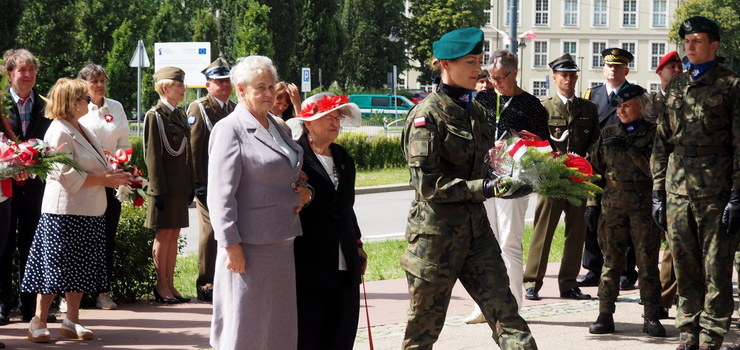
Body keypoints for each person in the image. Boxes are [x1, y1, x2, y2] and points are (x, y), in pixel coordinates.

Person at [401, 27, 536, 349]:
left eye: (479, 61)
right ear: (445, 64)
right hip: (435, 238)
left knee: (507, 316)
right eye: (470, 62)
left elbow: (486, 163)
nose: (479, 70)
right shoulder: (426, 116)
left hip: (477, 233)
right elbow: (428, 183)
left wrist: (516, 176)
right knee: (422, 332)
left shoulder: (475, 111)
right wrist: (487, 188)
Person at [208, 55, 312, 350]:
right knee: (246, 329)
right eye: (260, 88)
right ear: (240, 90)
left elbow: (285, 171)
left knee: (277, 329)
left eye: (271, 86)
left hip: (281, 240)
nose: (268, 94)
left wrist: (305, 191)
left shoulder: (277, 125)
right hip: (248, 247)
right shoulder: (230, 129)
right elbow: (220, 194)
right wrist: (231, 246)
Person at [651, 16, 740, 350]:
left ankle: (712, 333)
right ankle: (687, 331)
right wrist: (657, 190)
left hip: (715, 190)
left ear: (713, 45)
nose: (689, 46)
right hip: (677, 189)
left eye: (697, 41)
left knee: (716, 265)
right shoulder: (676, 85)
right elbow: (662, 140)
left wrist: (736, 194)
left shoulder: (731, 85)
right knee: (683, 263)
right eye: (686, 41)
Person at [20, 78, 131, 343]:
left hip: (89, 210)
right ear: (70, 103)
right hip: (63, 213)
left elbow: (96, 163)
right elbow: (66, 176)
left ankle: (72, 320)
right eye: (82, 97)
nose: (88, 101)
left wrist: (113, 172)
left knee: (79, 269)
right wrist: (105, 179)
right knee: (54, 269)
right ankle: (38, 320)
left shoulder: (81, 127)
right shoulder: (57, 131)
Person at [464, 49, 551, 324]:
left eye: (501, 77)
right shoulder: (484, 97)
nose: (496, 82)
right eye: (491, 77)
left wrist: (515, 146)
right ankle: (484, 304)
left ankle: (512, 303)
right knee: (482, 244)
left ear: (515, 73)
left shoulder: (531, 105)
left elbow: (543, 146)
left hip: (514, 182)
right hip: (484, 180)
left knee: (509, 243)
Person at [585, 83, 665, 337]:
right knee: (611, 262)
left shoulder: (654, 134)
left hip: (642, 206)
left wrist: (629, 150)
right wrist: (591, 203)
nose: (621, 111)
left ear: (640, 106)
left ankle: (652, 315)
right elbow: (593, 170)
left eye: (626, 106)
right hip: (612, 207)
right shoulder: (608, 132)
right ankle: (605, 314)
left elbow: (656, 171)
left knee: (647, 263)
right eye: (618, 106)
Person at [290, 92, 367, 349]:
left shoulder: (343, 158)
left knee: (342, 333)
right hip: (308, 262)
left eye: (338, 117)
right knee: (310, 334)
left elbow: (346, 208)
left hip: (345, 260)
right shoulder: (294, 155)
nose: (335, 123)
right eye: (328, 117)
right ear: (308, 122)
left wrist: (357, 243)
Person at [523, 54, 598, 302]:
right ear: (554, 78)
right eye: (563, 75)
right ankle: (532, 282)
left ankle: (569, 284)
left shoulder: (588, 109)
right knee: (543, 232)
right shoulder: (543, 108)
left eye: (572, 74)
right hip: (551, 180)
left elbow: (595, 142)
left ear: (576, 77)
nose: (568, 79)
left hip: (577, 180)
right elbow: (534, 144)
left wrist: (585, 164)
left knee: (576, 234)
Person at [0, 49, 54, 325]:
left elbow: (51, 145)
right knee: (4, 245)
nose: (28, 75)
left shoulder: (47, 105)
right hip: (6, 185)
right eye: (22, 70)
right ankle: (2, 305)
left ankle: (30, 306)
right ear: (9, 74)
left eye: (32, 70)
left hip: (35, 186)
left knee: (33, 245)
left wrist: (31, 167)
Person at [579, 48, 639, 291]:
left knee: (625, 219)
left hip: (623, 167)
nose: (613, 70)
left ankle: (626, 271)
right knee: (592, 217)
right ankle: (593, 268)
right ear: (603, 69)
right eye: (609, 65)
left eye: (618, 66)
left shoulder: (634, 95)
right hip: (596, 166)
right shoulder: (591, 95)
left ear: (626, 70)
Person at [77, 63, 132, 311]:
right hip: (85, 183)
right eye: (94, 81)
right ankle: (72, 295)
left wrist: (120, 160)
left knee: (107, 237)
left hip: (112, 181)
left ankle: (102, 291)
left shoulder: (116, 107)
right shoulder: (77, 107)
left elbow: (124, 142)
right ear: (84, 84)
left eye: (102, 80)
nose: (99, 85)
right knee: (81, 239)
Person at [186, 58, 237, 303]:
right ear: (208, 84)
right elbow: (195, 149)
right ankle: (206, 283)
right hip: (208, 182)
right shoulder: (199, 108)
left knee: (229, 230)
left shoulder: (233, 108)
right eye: (219, 81)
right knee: (209, 233)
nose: (225, 85)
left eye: (227, 80)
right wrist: (199, 184)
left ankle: (225, 278)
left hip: (231, 181)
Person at [144, 66, 195, 304]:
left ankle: (171, 284)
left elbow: (187, 154)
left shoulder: (179, 115)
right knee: (163, 235)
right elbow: (152, 155)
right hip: (163, 187)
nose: (183, 89)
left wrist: (189, 184)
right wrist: (157, 190)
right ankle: (161, 284)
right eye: (178, 85)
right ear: (165, 87)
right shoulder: (155, 115)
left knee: (174, 234)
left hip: (178, 185)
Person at [648, 51, 682, 319]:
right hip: (654, 179)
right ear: (660, 72)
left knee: (676, 243)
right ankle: (661, 298)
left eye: (680, 66)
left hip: (680, 180)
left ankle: (674, 298)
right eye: (672, 67)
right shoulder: (651, 103)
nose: (677, 70)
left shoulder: (688, 98)